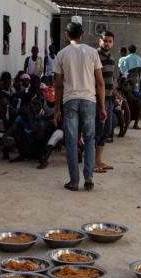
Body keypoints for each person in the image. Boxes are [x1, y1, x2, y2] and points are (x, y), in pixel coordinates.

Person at [54, 22, 106, 191]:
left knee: (71, 142)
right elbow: (100, 83)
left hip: (69, 101)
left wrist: (56, 110)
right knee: (90, 139)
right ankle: (89, 178)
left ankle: (74, 181)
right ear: (82, 34)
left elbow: (59, 85)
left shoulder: (61, 55)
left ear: (66, 35)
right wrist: (103, 106)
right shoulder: (92, 52)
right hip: (89, 101)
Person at [95, 31, 119, 173]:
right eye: (105, 40)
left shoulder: (112, 58)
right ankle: (92, 162)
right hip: (98, 99)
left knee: (107, 130)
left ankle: (99, 161)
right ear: (100, 41)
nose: (107, 43)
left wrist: (116, 94)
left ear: (113, 43)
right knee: (98, 130)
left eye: (110, 41)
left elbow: (111, 80)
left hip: (109, 98)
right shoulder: (95, 57)